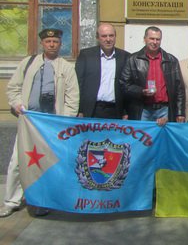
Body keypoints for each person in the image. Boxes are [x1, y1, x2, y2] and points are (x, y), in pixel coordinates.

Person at [1, 28, 79, 218]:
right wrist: (17, 104)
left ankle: (41, 201)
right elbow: (13, 88)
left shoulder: (66, 67)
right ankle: (11, 200)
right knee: (18, 163)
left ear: (60, 44)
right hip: (30, 121)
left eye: (55, 42)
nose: (52, 44)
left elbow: (72, 97)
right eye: (48, 42)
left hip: (51, 124)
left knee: (46, 163)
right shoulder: (28, 63)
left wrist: (64, 121)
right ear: (42, 43)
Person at [120, 26, 185, 126]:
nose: (154, 42)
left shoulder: (171, 60)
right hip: (142, 109)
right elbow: (124, 85)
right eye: (151, 38)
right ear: (144, 39)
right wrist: (141, 91)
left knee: (162, 140)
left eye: (157, 39)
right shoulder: (133, 59)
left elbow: (179, 88)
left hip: (164, 110)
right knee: (142, 139)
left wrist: (180, 112)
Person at [75, 23, 130, 119]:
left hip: (115, 111)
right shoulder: (86, 55)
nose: (108, 39)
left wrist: (125, 111)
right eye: (104, 36)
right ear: (97, 38)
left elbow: (126, 86)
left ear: (115, 36)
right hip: (91, 110)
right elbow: (78, 83)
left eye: (111, 35)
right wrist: (80, 110)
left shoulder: (125, 57)